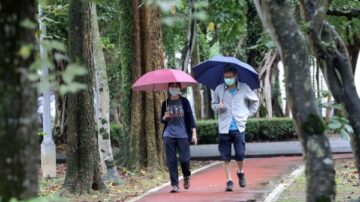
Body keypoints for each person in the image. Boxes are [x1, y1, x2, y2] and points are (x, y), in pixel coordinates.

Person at [211, 65, 259, 191]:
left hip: (239, 127)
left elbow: (255, 101)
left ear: (235, 76)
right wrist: (218, 107)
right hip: (224, 128)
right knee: (225, 157)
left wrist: (248, 114)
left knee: (240, 154)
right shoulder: (219, 89)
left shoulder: (244, 88)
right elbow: (213, 105)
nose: (228, 79)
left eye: (230, 77)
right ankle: (229, 181)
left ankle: (240, 171)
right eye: (226, 77)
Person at [161, 82, 198, 193]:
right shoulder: (165, 103)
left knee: (184, 160)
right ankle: (174, 184)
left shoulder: (184, 102)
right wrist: (165, 116)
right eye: (171, 86)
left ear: (179, 88)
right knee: (171, 161)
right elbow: (161, 120)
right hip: (168, 135)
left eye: (176, 86)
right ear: (168, 88)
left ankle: (186, 175)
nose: (174, 88)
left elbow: (190, 118)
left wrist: (194, 134)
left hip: (183, 135)